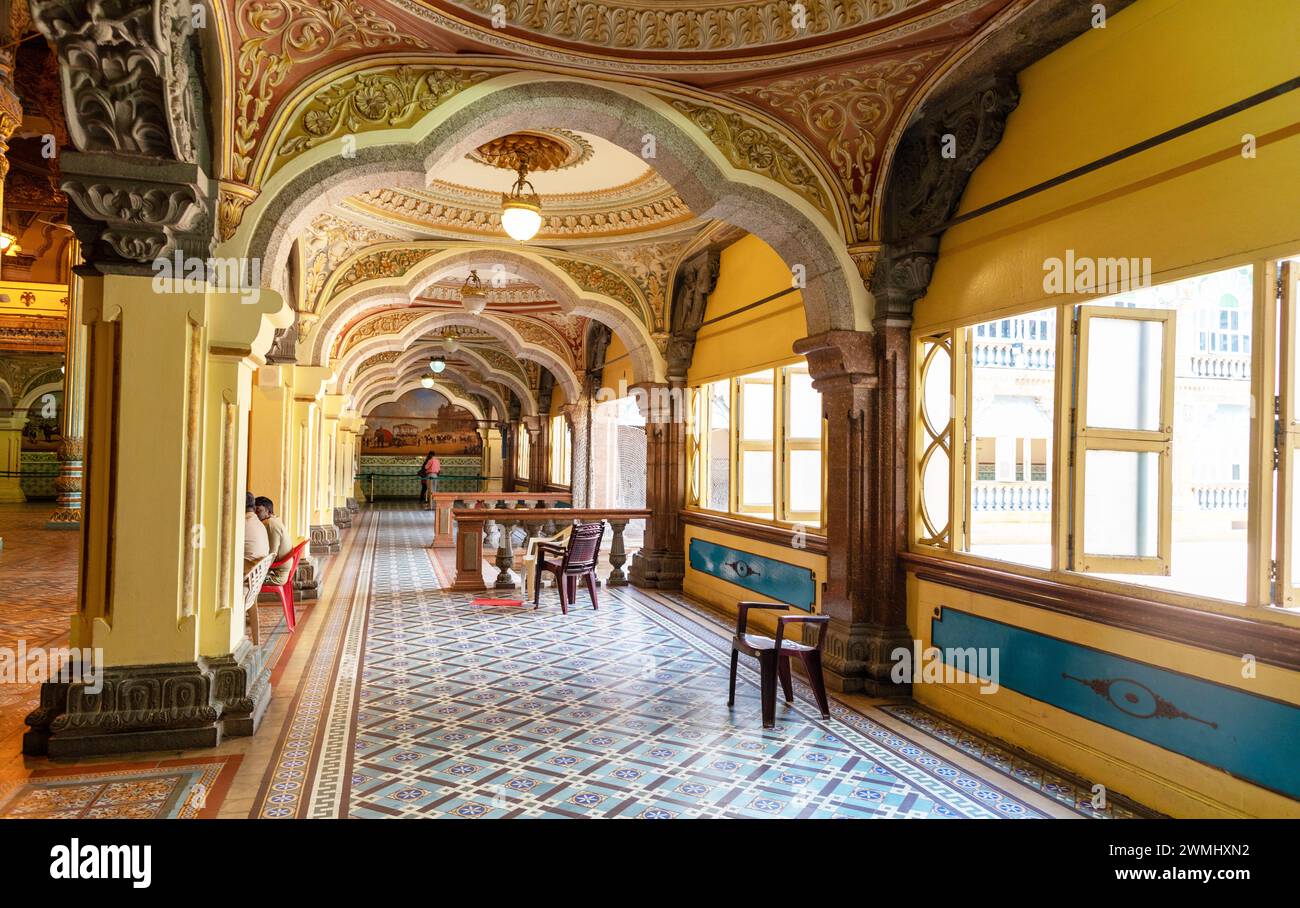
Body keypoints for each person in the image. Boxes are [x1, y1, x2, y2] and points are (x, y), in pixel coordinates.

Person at [254, 496, 292, 586]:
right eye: (254, 511)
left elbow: (272, 554)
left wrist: (258, 571)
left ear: (268, 511)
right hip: (280, 570)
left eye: (258, 511)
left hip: (277, 576)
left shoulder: (270, 524)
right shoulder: (275, 519)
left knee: (244, 581)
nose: (256, 514)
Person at [244, 492, 270, 572]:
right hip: (258, 573)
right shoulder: (260, 523)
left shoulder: (243, 523)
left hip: (247, 573)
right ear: (254, 507)